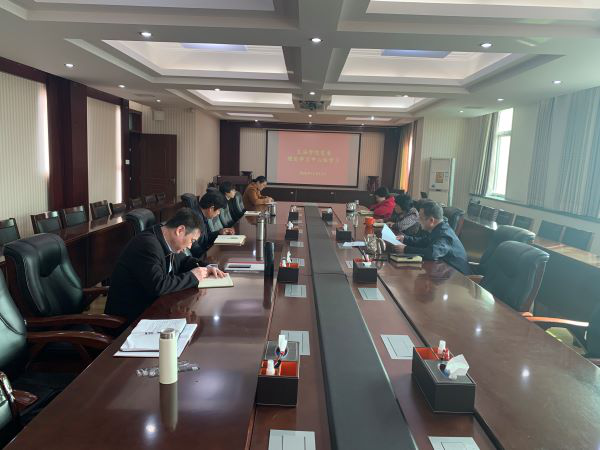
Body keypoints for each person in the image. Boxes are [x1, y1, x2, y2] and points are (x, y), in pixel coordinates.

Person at [105, 208, 225, 323]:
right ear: (180, 230)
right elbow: (158, 285)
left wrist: (207, 267)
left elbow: (184, 261)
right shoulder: (147, 245)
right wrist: (193, 276)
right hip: (131, 320)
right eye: (192, 241)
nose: (190, 246)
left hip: (153, 309)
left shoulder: (165, 238)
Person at [390, 201, 471, 274]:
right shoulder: (438, 228)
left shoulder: (444, 235)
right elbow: (424, 241)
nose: (418, 220)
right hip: (443, 271)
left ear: (431, 220)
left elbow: (431, 253)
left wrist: (406, 249)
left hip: (457, 276)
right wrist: (405, 239)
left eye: (420, 217)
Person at [191, 190, 235, 259]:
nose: (219, 213)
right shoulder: (194, 220)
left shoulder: (202, 216)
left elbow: (206, 238)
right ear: (211, 208)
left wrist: (219, 232)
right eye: (219, 210)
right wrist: (208, 257)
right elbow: (195, 249)